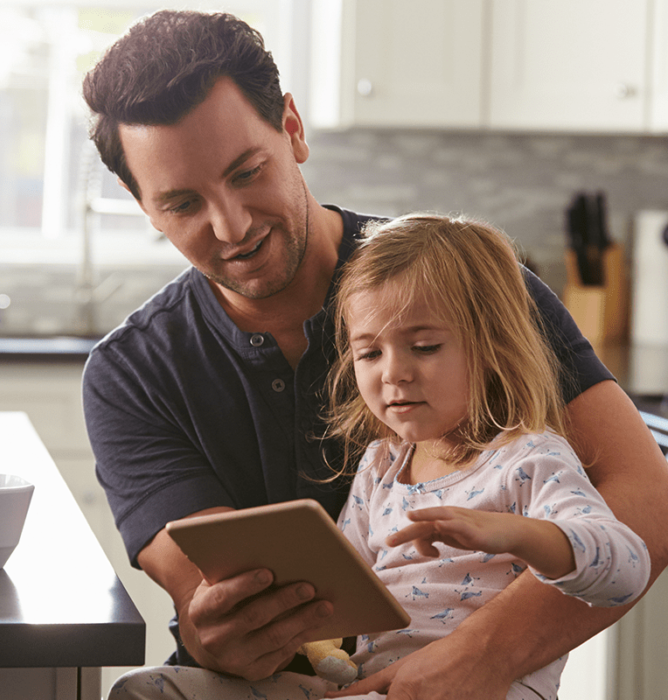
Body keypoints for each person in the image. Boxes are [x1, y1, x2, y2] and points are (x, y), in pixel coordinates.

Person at [81, 10, 668, 699]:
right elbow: (212, 588)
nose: (231, 227)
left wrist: (485, 654)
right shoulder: (132, 375)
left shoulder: (459, 284)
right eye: (182, 203)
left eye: (246, 173)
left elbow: (647, 504)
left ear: (292, 131)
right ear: (139, 202)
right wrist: (218, 628)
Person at [108, 214, 653, 700]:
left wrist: (515, 535)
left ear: (491, 350)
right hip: (364, 682)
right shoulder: (381, 466)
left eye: (424, 346)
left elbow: (627, 567)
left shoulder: (529, 459)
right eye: (370, 352)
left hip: (487, 690)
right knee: (145, 688)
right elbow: (344, 588)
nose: (393, 372)